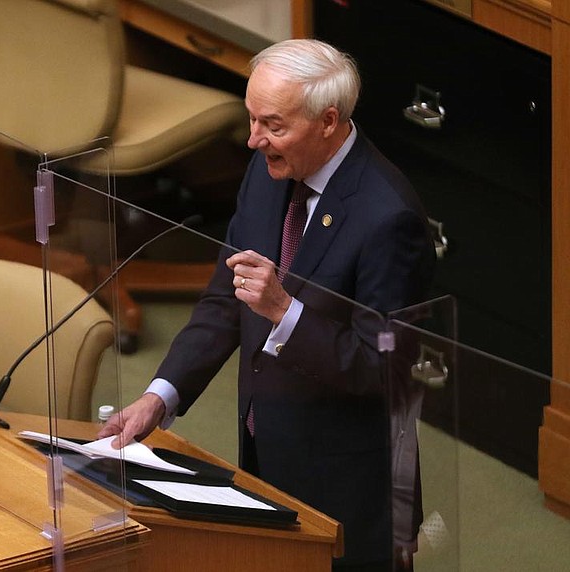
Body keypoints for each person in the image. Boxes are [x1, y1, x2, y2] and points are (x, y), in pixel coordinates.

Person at [98, 39, 435, 571]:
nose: (254, 141)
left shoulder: (388, 218)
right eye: (252, 120)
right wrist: (159, 397)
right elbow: (224, 300)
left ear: (328, 121)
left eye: (273, 125)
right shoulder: (269, 170)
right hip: (264, 450)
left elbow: (387, 369)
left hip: (347, 485)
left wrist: (286, 311)